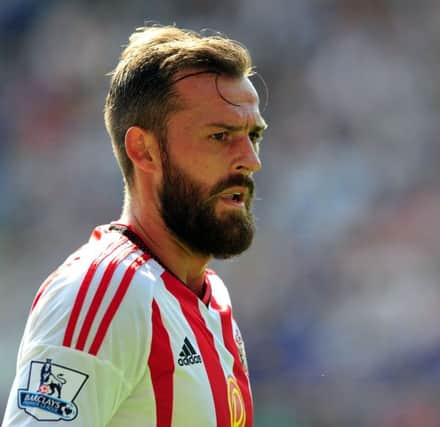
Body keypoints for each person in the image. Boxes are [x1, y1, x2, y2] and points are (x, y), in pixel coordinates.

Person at [2, 24, 267, 427]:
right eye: (220, 135)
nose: (250, 159)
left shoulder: (211, 296)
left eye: (253, 136)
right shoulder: (105, 289)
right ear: (144, 150)